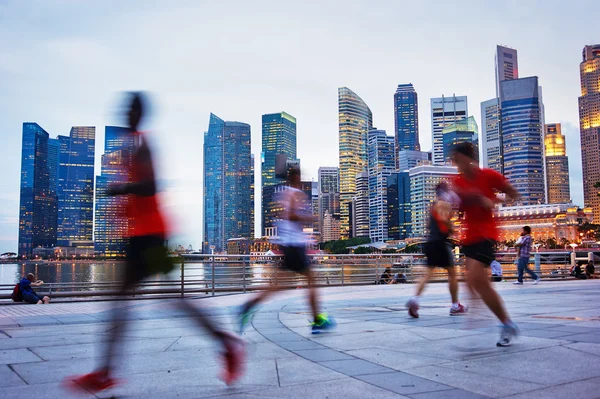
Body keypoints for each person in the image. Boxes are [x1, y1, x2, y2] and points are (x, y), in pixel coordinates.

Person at [66, 93, 245, 394]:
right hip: (141, 234)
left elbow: (151, 185)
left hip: (148, 235)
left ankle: (106, 371)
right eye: (126, 109)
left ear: (139, 113)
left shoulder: (142, 145)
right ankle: (226, 344)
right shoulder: (133, 145)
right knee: (162, 299)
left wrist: (120, 189)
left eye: (132, 109)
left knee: (140, 301)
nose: (126, 114)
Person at [238, 166, 335, 334]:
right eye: (299, 177)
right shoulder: (294, 194)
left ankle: (249, 305)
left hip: (290, 245)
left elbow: (285, 217)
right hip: (295, 246)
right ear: (295, 178)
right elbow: (290, 216)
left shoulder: (282, 193)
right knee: (311, 281)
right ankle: (317, 320)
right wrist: (309, 218)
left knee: (279, 285)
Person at [450, 142, 520, 347]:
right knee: (474, 282)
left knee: (476, 279)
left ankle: (504, 322)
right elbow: (458, 206)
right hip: (469, 237)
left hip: (486, 234)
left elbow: (513, 195)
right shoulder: (458, 181)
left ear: (468, 157)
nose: (454, 163)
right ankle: (504, 321)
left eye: (457, 159)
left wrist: (495, 201)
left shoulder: (489, 176)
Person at [406, 182, 467, 318]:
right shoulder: (444, 204)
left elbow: (429, 224)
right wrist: (453, 230)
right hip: (441, 242)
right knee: (452, 274)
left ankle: (414, 299)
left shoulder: (433, 205)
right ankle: (455, 306)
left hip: (431, 242)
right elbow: (445, 220)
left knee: (427, 274)